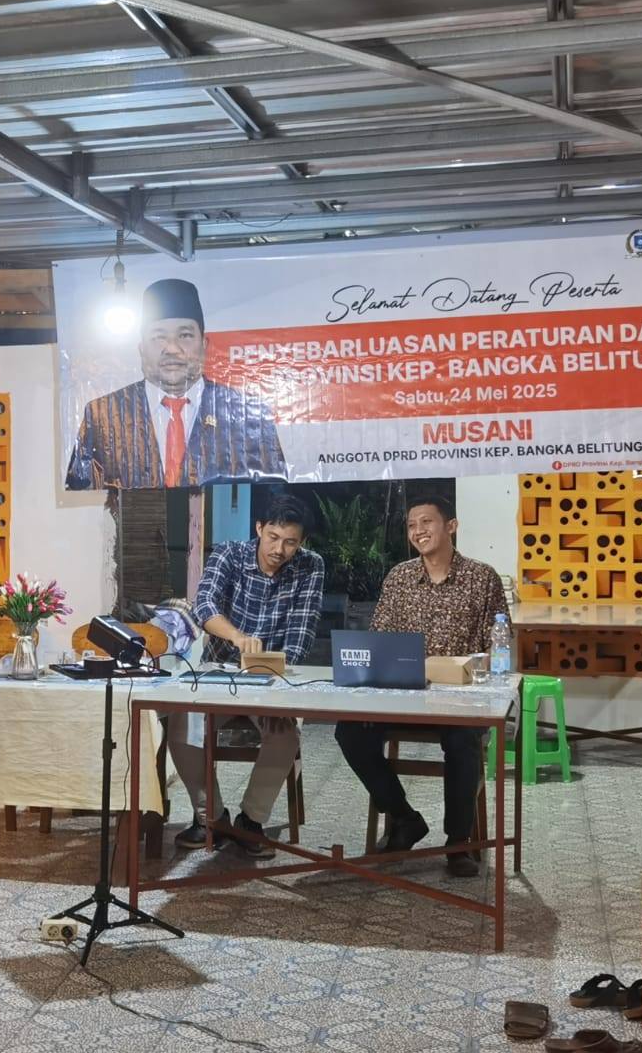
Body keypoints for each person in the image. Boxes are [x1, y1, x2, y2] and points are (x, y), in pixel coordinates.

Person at [333, 495, 506, 878]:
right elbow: (378, 640)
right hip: (404, 694)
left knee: (463, 741)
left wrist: (472, 673)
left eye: (427, 522)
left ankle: (458, 844)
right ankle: (404, 817)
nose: (418, 531)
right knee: (350, 731)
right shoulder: (399, 578)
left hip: (458, 699)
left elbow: (497, 645)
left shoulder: (482, 577)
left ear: (451, 526)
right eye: (412, 525)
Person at [169, 494, 324, 858]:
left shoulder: (311, 566)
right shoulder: (229, 554)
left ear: (301, 542)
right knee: (183, 725)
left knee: (285, 735)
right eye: (273, 537)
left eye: (290, 542)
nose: (279, 550)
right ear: (259, 528)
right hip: (219, 672)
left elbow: (301, 635)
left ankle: (250, 822)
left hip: (273, 677)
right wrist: (237, 637)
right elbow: (204, 606)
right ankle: (212, 818)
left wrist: (273, 687)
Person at [64, 277, 288, 490]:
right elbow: (81, 495)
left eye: (185, 335)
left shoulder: (249, 414)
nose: (172, 348)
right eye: (159, 337)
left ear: (204, 345)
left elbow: (275, 494)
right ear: (142, 349)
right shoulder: (103, 414)